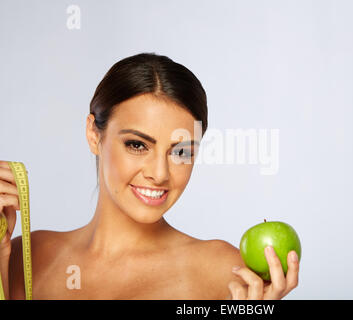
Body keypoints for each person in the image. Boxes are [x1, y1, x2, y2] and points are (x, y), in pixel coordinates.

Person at [0, 52, 299, 300]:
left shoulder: (227, 272)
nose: (159, 174)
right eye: (137, 145)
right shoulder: (27, 256)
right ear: (94, 134)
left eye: (180, 152)